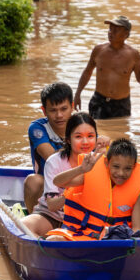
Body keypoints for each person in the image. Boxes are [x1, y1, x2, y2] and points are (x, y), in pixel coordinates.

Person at [46, 138, 140, 241]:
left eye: (127, 168)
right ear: (106, 163)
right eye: (116, 167)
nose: (121, 173)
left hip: (116, 240)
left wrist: (132, 242)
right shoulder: (89, 175)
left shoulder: (138, 190)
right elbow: (57, 182)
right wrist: (81, 169)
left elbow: (136, 229)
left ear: (134, 167)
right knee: (53, 239)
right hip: (84, 235)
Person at [24, 82, 109, 212]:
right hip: (50, 184)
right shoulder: (37, 128)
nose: (59, 115)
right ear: (44, 111)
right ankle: (33, 215)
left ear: (72, 107)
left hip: (77, 179)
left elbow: (95, 149)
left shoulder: (80, 124)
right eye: (53, 110)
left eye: (64, 109)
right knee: (33, 181)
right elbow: (52, 157)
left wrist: (103, 143)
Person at [21, 112, 102, 236]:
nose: (85, 142)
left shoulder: (102, 162)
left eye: (90, 136)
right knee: (23, 226)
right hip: (53, 217)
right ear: (68, 139)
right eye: (78, 137)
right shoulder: (54, 162)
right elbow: (52, 206)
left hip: (86, 220)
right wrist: (73, 192)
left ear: (96, 138)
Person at [73, 16, 140, 120]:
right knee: (97, 131)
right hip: (99, 101)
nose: (111, 32)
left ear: (126, 34)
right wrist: (77, 94)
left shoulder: (133, 55)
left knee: (121, 134)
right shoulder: (99, 50)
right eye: (110, 29)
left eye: (115, 30)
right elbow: (87, 72)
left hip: (122, 104)